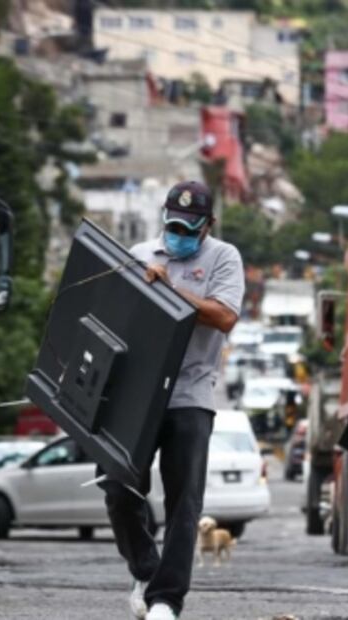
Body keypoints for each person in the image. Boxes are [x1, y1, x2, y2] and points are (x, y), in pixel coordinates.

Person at [99, 181, 244, 620]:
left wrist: (169, 291)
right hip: (137, 393)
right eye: (173, 224)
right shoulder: (139, 253)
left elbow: (224, 316)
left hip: (189, 392)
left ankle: (166, 599)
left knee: (184, 501)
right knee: (117, 487)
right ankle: (146, 569)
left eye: (188, 227)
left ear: (208, 225)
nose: (178, 233)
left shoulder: (224, 257)